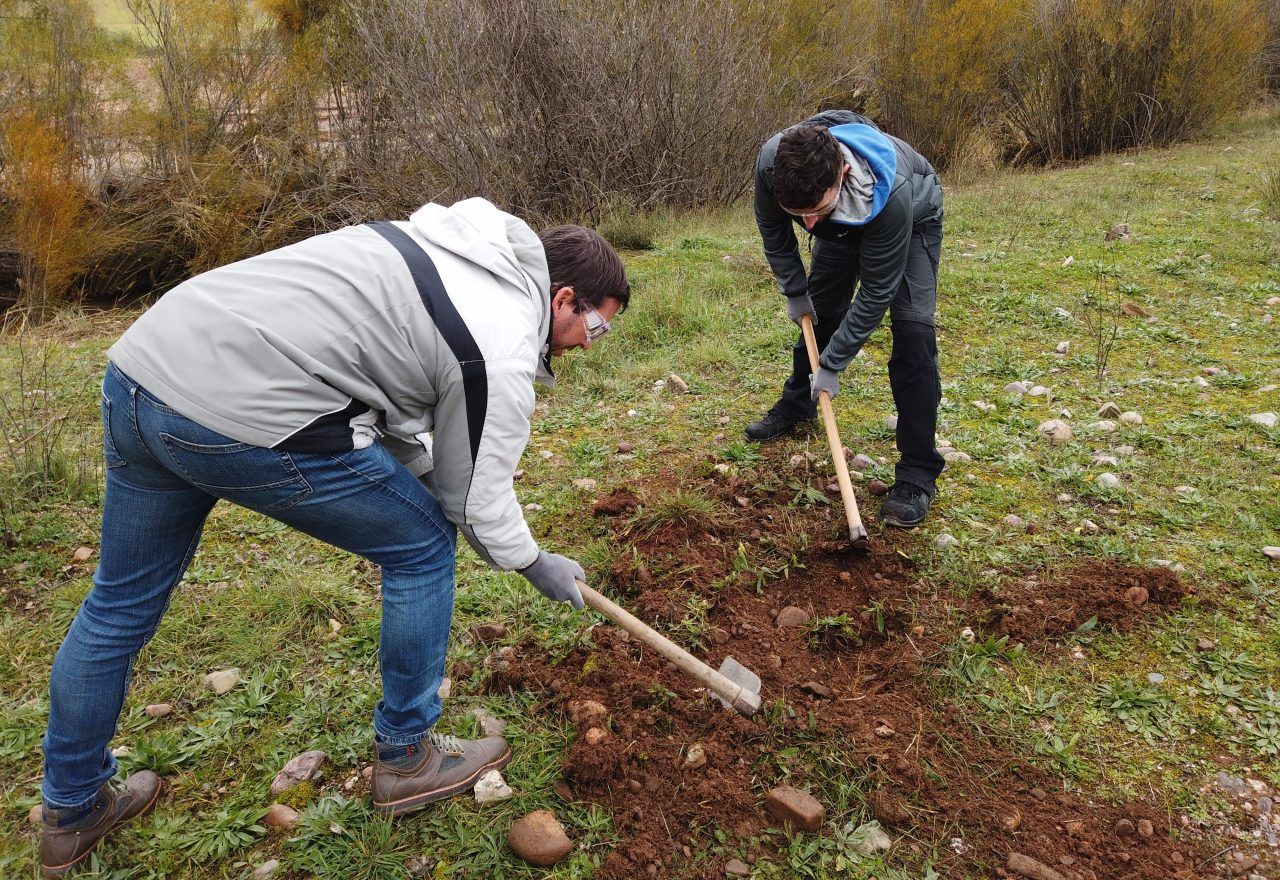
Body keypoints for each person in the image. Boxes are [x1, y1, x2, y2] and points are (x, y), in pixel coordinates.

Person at [37, 198, 629, 877]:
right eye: (596, 328)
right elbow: (477, 502)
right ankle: (408, 757)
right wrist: (534, 563)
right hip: (241, 408)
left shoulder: (452, 255)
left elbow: (390, 400)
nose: (588, 345)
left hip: (144, 372)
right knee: (423, 547)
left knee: (117, 606)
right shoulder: (500, 342)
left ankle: (71, 809)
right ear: (562, 299)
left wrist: (434, 483)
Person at [744, 110, 944, 529]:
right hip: (846, 219)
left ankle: (917, 473)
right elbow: (773, 229)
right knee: (821, 312)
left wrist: (833, 364)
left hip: (911, 220)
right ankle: (798, 405)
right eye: (799, 213)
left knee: (912, 333)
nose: (809, 224)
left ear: (845, 173)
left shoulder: (893, 195)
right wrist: (796, 290)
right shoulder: (772, 164)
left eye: (815, 210)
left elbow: (876, 292)